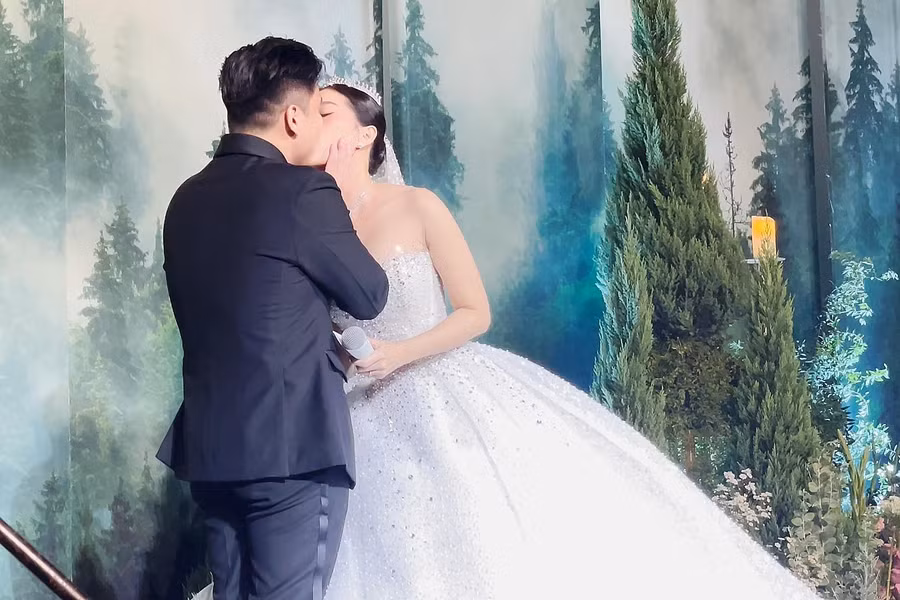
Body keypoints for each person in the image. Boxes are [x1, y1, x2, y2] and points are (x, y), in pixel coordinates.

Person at [318, 79, 823, 599]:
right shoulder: (313, 223)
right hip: (352, 410)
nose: (313, 120)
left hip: (435, 393)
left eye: (326, 111)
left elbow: (475, 312)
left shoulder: (417, 206)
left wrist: (401, 353)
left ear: (366, 134)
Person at [157, 40, 389, 600]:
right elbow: (369, 294)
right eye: (315, 110)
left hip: (212, 455)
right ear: (292, 117)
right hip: (291, 453)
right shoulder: (304, 190)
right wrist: (334, 194)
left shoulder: (184, 199)